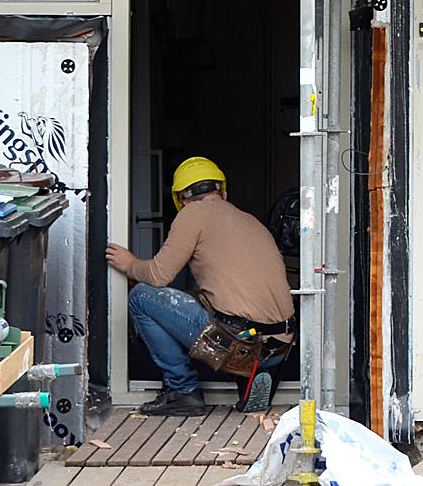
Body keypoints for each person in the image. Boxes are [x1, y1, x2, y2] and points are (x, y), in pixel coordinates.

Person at [105, 157, 294, 416]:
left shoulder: (193, 214)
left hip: (239, 342)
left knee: (141, 297)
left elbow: (159, 275)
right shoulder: (249, 220)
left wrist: (130, 265)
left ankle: (182, 391)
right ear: (223, 193)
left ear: (182, 201)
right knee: (193, 302)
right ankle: (251, 376)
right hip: (277, 346)